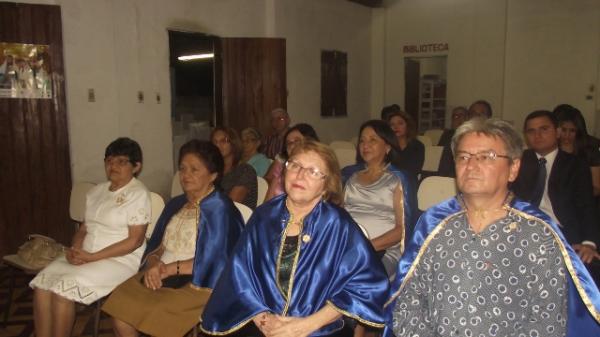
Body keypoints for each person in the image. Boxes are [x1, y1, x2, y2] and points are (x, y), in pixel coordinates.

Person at [384, 118, 600, 337]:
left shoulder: (538, 233)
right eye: (463, 157)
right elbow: (407, 303)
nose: (471, 165)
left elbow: (547, 321)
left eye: (486, 157)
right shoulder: (433, 224)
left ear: (513, 168)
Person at [201, 140, 390, 337]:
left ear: (326, 185)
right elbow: (239, 275)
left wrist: (304, 326)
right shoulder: (264, 216)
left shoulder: (337, 225)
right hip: (262, 322)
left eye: (313, 171)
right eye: (295, 165)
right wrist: (264, 319)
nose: (300, 175)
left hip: (318, 328)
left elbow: (367, 285)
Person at [102, 140, 244, 337]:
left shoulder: (220, 209)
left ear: (213, 175)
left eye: (194, 170)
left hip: (201, 282)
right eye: (183, 168)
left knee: (158, 312)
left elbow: (215, 262)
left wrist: (168, 269)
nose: (186, 175)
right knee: (121, 304)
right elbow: (158, 244)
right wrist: (153, 264)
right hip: (162, 271)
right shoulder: (177, 203)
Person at [30, 137, 151, 337]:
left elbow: (135, 241)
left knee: (62, 291)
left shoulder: (138, 194)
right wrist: (75, 250)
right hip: (87, 255)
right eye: (109, 161)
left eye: (121, 162)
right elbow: (84, 228)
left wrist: (92, 257)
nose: (113, 166)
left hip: (120, 260)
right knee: (42, 285)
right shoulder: (97, 191)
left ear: (136, 166)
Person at [511, 110, 600, 283]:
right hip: (521, 228)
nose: (537, 135)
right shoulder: (518, 162)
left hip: (561, 231)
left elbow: (586, 205)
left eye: (544, 129)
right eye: (531, 131)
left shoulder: (575, 165)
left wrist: (589, 243)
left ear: (557, 132)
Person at [343, 120, 416, 276]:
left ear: (388, 147)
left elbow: (401, 229)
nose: (365, 145)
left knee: (356, 278)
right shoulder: (350, 176)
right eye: (362, 140)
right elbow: (339, 218)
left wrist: (364, 248)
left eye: (372, 140)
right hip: (348, 248)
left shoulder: (398, 179)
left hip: (384, 250)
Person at [263, 123, 319, 202]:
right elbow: (265, 209)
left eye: (297, 141)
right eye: (289, 143)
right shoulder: (278, 180)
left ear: (310, 142)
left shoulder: (320, 174)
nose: (292, 145)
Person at [554, 105, 600, 197]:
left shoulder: (590, 149)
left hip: (582, 199)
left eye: (572, 131)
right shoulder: (550, 147)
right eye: (563, 130)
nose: (567, 135)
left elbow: (596, 188)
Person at [211, 127, 258, 209]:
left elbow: (229, 205)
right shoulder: (213, 170)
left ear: (233, 143)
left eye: (223, 141)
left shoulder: (245, 171)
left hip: (236, 218)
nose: (218, 145)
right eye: (215, 142)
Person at [386, 111, 424, 179]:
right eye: (392, 124)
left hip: (409, 182)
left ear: (408, 126)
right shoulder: (386, 146)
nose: (396, 127)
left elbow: (414, 170)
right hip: (388, 182)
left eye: (400, 123)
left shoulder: (418, 146)